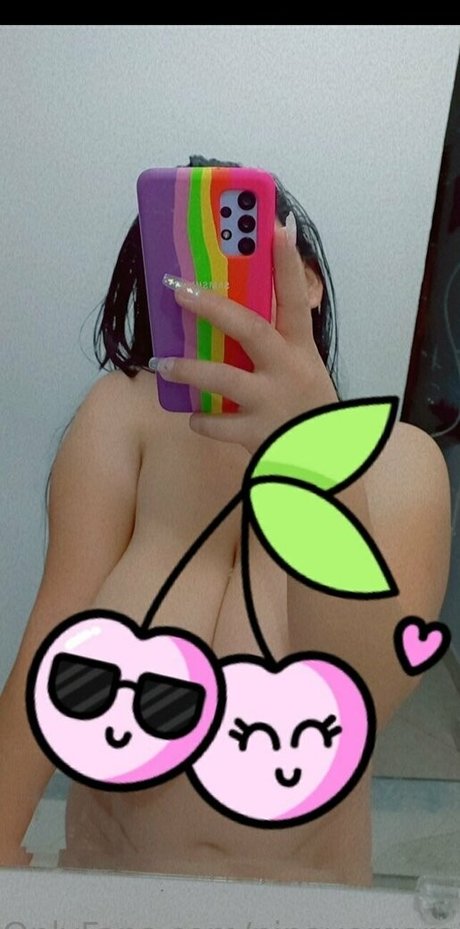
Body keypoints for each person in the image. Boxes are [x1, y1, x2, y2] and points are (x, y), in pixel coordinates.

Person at [0, 156, 451, 886]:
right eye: (183, 268)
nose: (214, 294)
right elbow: (46, 651)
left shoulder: (400, 461)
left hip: (304, 906)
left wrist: (311, 455)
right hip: (106, 888)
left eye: (243, 262)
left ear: (310, 283)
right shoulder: (119, 417)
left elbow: (359, 698)